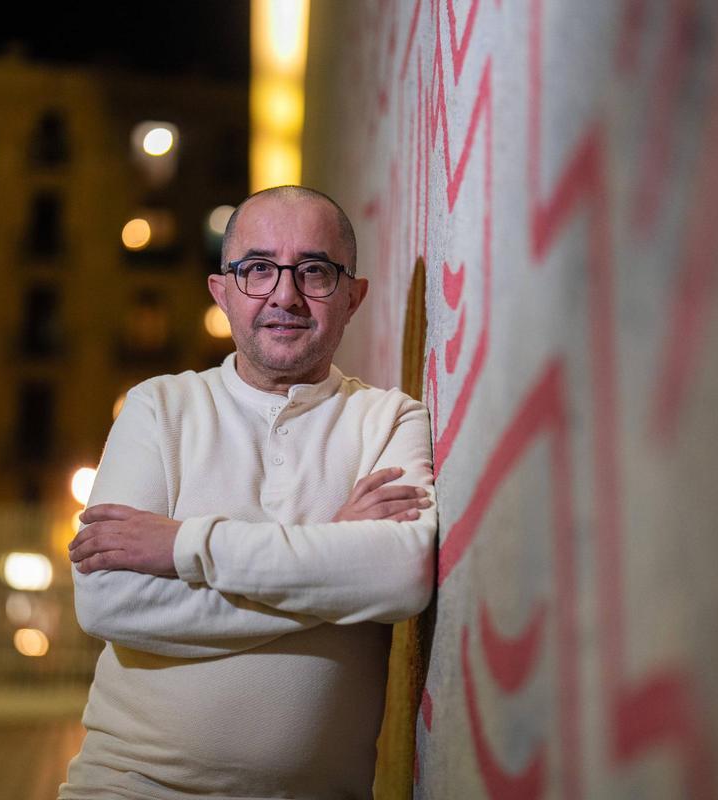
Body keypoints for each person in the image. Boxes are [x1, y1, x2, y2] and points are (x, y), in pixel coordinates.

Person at [58, 185, 437, 800]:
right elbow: (108, 603)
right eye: (257, 268)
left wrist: (183, 546)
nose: (283, 295)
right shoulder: (160, 408)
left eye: (314, 271)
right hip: (131, 787)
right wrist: (330, 556)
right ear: (222, 291)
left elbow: (400, 577)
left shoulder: (390, 421)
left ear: (353, 296)